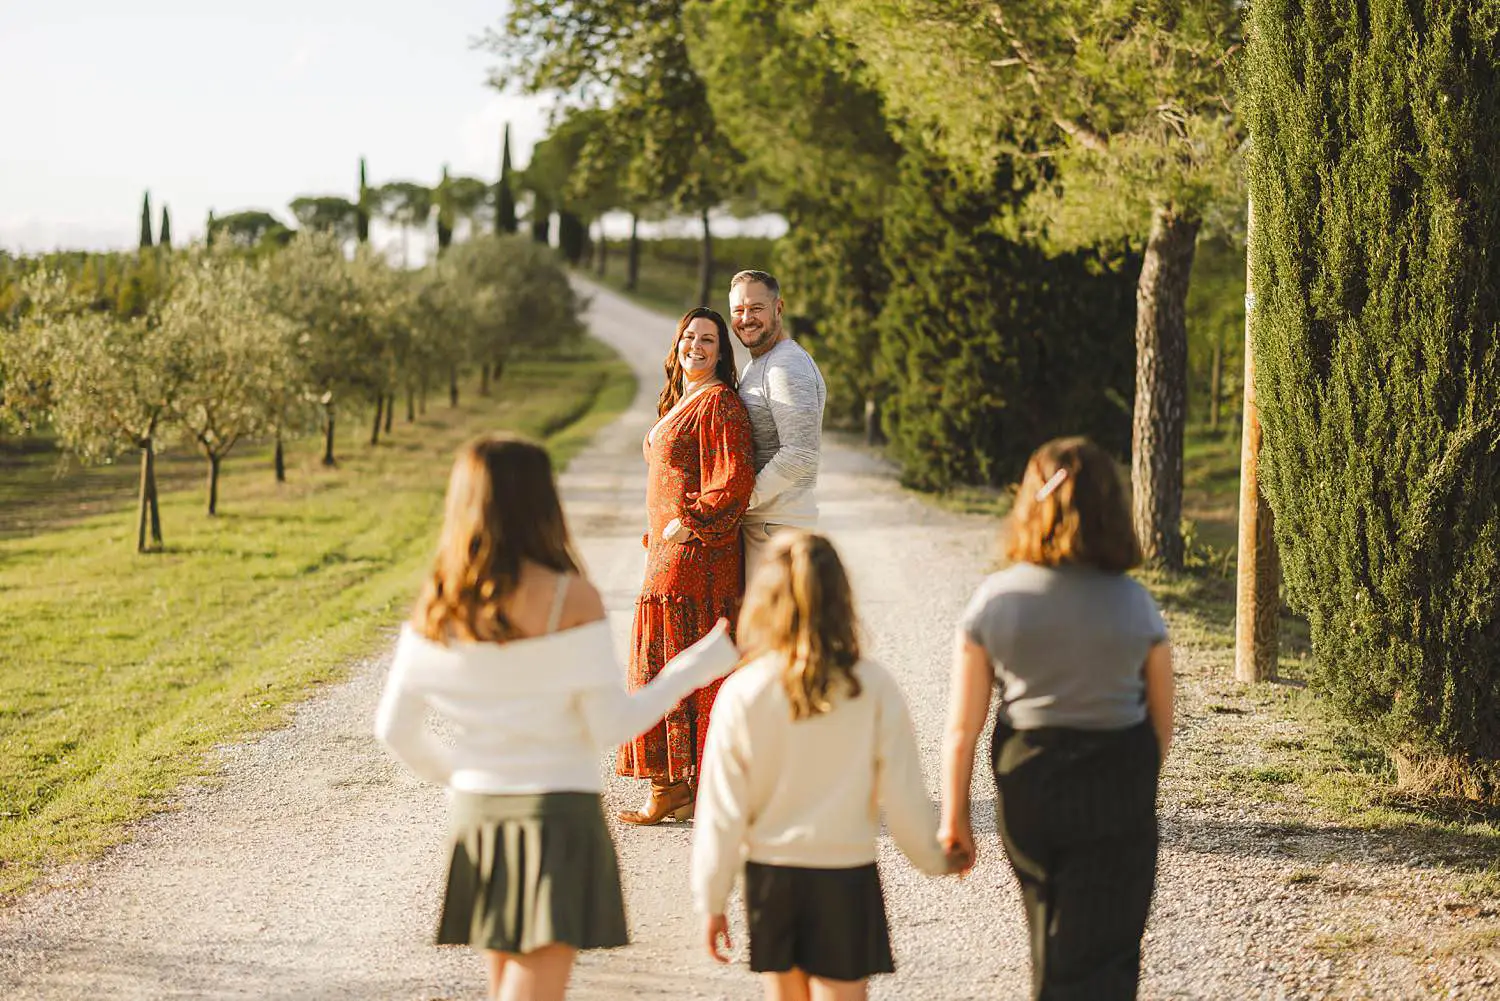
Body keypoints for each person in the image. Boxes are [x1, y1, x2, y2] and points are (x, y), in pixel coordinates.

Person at [373, 435, 740, 1001]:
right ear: (542, 502)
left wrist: (466, 773)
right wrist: (691, 669)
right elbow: (611, 725)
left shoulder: (439, 602)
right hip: (556, 812)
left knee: (506, 983)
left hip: (477, 812)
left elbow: (394, 729)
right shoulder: (571, 599)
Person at [939, 436, 1175, 1001]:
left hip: (1032, 782)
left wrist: (955, 819)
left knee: (1051, 928)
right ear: (1109, 509)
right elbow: (1161, 725)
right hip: (1119, 776)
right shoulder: (1137, 604)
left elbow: (961, 730)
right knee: (1113, 942)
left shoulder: (994, 601)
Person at [691, 531, 953, 1001]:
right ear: (841, 599)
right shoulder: (871, 686)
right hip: (844, 871)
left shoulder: (743, 692)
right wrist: (934, 859)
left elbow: (720, 810)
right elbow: (904, 793)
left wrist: (711, 900)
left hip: (772, 874)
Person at [616, 307, 756, 826]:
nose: (695, 346)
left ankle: (680, 785)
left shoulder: (719, 404)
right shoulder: (684, 400)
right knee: (667, 663)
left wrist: (687, 521)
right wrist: (658, 531)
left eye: (708, 340)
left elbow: (735, 480)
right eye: (689, 337)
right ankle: (675, 786)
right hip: (666, 552)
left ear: (722, 352)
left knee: (677, 663)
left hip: (696, 557)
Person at [729, 270, 827, 576]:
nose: (746, 318)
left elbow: (800, 453)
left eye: (756, 308)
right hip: (768, 523)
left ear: (779, 308)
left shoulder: (786, 366)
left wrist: (741, 501)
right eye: (738, 310)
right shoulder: (760, 364)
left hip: (777, 529)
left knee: (778, 623)